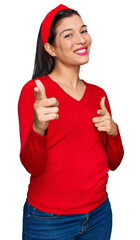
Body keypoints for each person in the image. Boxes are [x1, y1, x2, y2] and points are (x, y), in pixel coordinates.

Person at [18, 4, 124, 240]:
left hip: (99, 215)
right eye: (69, 35)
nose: (81, 39)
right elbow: (31, 166)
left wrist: (114, 132)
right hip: (49, 221)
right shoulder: (36, 92)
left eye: (83, 31)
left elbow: (114, 163)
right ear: (50, 48)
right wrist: (38, 128)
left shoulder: (98, 94)